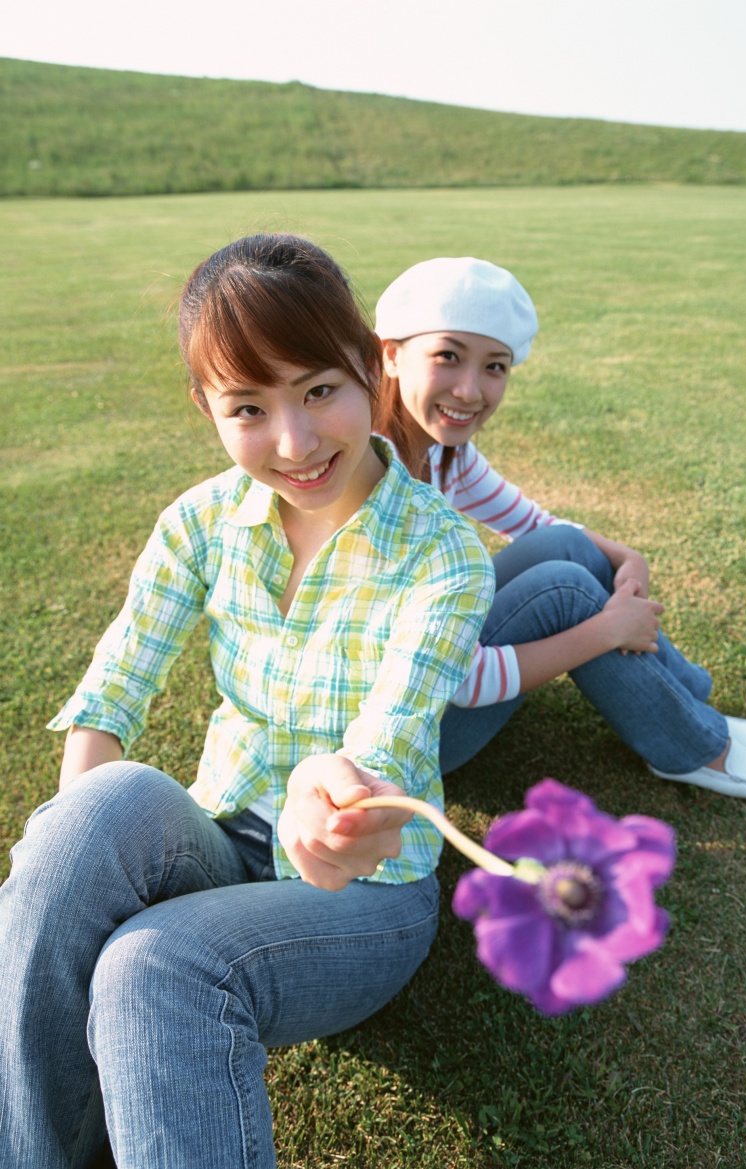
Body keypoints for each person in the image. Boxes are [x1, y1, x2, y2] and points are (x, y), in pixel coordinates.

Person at [0, 235, 493, 1169]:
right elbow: (116, 685)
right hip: (221, 840)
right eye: (249, 409)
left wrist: (337, 790)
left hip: (366, 895)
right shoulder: (199, 521)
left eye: (319, 390)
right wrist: (80, 853)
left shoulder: (445, 552)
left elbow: (392, 726)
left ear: (369, 366)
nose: (295, 444)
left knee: (153, 965)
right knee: (88, 812)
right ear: (207, 409)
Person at [374, 256, 746, 799]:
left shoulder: (442, 453)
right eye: (448, 357)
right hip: (400, 741)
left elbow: (534, 525)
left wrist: (626, 555)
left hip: (429, 690)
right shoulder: (375, 478)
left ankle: (690, 707)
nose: (468, 390)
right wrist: (606, 630)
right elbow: (465, 683)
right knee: (565, 592)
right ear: (391, 354)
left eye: (494, 367)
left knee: (567, 548)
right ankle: (695, 748)